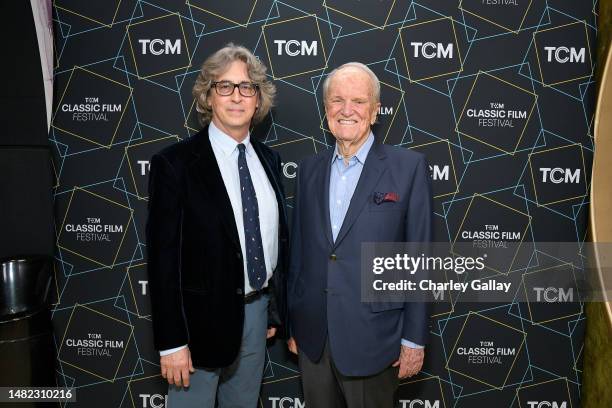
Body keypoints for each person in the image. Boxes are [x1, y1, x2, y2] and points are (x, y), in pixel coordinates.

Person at [145, 43, 288, 408]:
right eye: (224, 86)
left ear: (258, 99)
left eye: (246, 87)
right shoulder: (175, 165)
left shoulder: (270, 161)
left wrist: (273, 310)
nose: (236, 96)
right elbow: (163, 263)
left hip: (256, 314)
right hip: (196, 328)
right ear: (209, 97)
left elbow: (275, 243)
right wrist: (173, 342)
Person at [287, 62, 433, 407]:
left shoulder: (408, 168)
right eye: (337, 100)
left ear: (375, 111)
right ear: (326, 110)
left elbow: (420, 259)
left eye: (358, 101)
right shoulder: (309, 169)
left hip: (375, 338)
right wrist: (294, 323)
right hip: (314, 339)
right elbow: (298, 253)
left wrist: (414, 339)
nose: (347, 110)